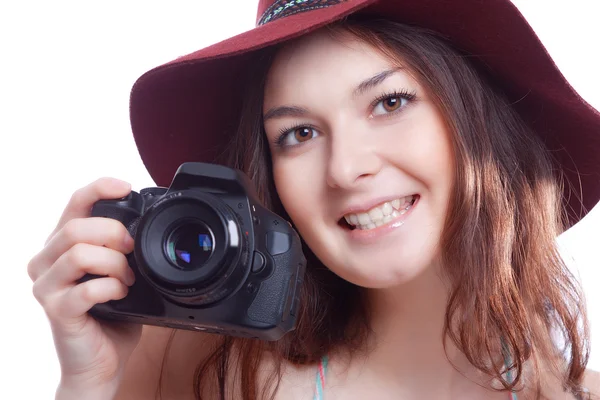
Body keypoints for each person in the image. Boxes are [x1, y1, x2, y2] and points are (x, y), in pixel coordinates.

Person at [27, 0, 600, 399]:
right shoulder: (202, 374)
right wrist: (87, 388)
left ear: (478, 124)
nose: (347, 169)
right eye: (298, 134)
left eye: (390, 103)